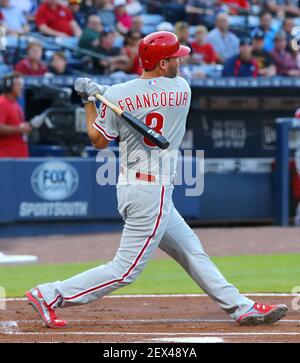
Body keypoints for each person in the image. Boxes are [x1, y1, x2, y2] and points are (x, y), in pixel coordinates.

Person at [25, 31, 288, 329]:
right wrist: (105, 95)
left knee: (191, 250)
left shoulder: (117, 95)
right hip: (152, 192)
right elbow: (143, 96)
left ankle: (241, 308)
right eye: (175, 57)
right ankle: (49, 294)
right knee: (125, 270)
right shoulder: (182, 89)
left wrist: (90, 100)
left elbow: (98, 140)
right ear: (162, 64)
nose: (181, 60)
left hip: (132, 188)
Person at [0, 73, 31, 158]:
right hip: (7, 159)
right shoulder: (2, 103)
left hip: (17, 156)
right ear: (8, 86)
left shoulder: (15, 104)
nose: (21, 87)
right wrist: (20, 129)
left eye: (22, 84)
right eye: (19, 84)